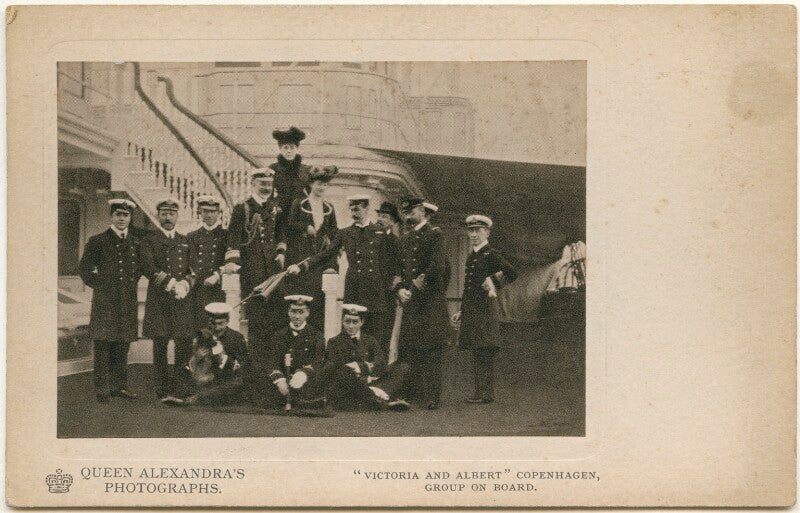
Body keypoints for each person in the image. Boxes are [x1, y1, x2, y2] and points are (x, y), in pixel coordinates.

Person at [286, 194, 399, 347]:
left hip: (375, 293)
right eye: (351, 210)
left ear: (367, 208)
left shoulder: (380, 232)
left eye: (357, 209)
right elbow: (325, 254)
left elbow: (391, 264)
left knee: (375, 339)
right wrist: (301, 266)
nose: (354, 214)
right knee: (350, 336)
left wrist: (392, 287)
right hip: (354, 290)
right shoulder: (345, 233)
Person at [78, 199, 144, 403]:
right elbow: (84, 269)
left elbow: (140, 268)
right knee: (103, 345)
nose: (122, 218)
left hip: (127, 302)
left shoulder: (135, 242)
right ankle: (102, 390)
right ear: (111, 216)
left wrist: (129, 284)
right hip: (105, 303)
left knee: (122, 345)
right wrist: (102, 285)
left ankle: (119, 387)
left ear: (130, 218)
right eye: (118, 215)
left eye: (126, 215)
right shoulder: (98, 240)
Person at [452, 215, 518, 404]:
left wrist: (493, 281)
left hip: (485, 311)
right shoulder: (472, 256)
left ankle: (485, 394)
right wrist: (462, 311)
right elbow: (469, 289)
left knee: (484, 351)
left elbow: (512, 272)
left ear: (487, 232)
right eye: (471, 231)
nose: (473, 234)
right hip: (473, 311)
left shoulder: (491, 254)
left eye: (477, 230)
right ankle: (481, 392)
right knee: (477, 350)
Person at [223, 169, 287, 363]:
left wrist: (281, 251)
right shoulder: (243, 208)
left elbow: (281, 233)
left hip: (273, 271)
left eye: (269, 184)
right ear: (253, 184)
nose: (267, 188)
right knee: (257, 320)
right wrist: (232, 262)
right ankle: (256, 364)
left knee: (275, 318)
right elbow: (233, 237)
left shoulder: (276, 209)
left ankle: (272, 363)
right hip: (252, 270)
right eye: (262, 184)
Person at [394, 198, 451, 410]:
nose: (407, 217)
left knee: (432, 350)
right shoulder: (405, 239)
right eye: (405, 213)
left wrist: (415, 287)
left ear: (421, 211)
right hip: (411, 302)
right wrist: (400, 288)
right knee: (410, 347)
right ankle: (413, 393)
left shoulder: (435, 235)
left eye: (411, 212)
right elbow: (399, 269)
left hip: (429, 303)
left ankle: (432, 396)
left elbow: (438, 268)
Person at [141, 198, 196, 400]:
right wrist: (171, 283)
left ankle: (182, 385)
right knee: (160, 344)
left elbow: (193, 269)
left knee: (183, 344)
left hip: (182, 299)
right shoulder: (149, 240)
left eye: (171, 214)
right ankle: (162, 387)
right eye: (164, 214)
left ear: (177, 216)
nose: (167, 218)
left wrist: (186, 284)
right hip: (160, 299)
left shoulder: (185, 240)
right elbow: (148, 267)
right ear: (158, 216)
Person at [323, 304, 410, 411]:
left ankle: (376, 397)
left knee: (402, 367)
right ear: (342, 321)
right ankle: (381, 400)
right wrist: (361, 368)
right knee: (344, 372)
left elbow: (381, 362)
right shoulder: (334, 342)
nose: (351, 326)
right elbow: (337, 368)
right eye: (347, 321)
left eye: (355, 322)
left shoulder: (370, 340)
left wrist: (362, 366)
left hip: (372, 383)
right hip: (352, 386)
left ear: (362, 322)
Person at [162, 303, 251, 407]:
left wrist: (224, 359)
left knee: (237, 383)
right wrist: (195, 358)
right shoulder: (202, 335)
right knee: (181, 373)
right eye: (213, 324)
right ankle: (192, 396)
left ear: (227, 321)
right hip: (204, 377)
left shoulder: (236, 337)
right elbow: (188, 365)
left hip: (225, 378)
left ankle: (192, 399)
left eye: (220, 324)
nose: (217, 328)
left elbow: (243, 365)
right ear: (209, 322)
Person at [284, 166, 339, 329]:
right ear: (311, 184)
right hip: (301, 259)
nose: (321, 187)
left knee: (318, 302)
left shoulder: (329, 207)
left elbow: (334, 232)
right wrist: (305, 226)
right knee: (302, 300)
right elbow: (290, 225)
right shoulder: (299, 204)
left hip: (320, 261)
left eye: (325, 185)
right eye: (318, 184)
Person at [265, 295, 332, 416]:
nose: (297, 316)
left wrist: (304, 373)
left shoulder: (317, 336)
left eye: (301, 312)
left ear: (307, 313)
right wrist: (279, 379)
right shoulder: (279, 335)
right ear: (288, 312)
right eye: (293, 311)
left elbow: (318, 361)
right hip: (284, 382)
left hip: (305, 382)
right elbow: (272, 361)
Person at [187, 195, 227, 330]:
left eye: (213, 211)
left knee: (218, 323)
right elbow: (190, 262)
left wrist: (217, 275)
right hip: (199, 287)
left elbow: (231, 261)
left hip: (219, 287)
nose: (209, 215)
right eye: (205, 211)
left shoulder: (226, 235)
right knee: (200, 324)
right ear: (200, 212)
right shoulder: (192, 236)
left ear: (218, 213)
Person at [269, 126, 312, 241]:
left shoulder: (304, 170)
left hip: (299, 216)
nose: (289, 151)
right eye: (285, 147)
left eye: (292, 147)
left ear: (297, 149)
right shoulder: (273, 169)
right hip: (281, 215)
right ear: (280, 149)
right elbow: (268, 193)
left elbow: (310, 193)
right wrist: (274, 206)